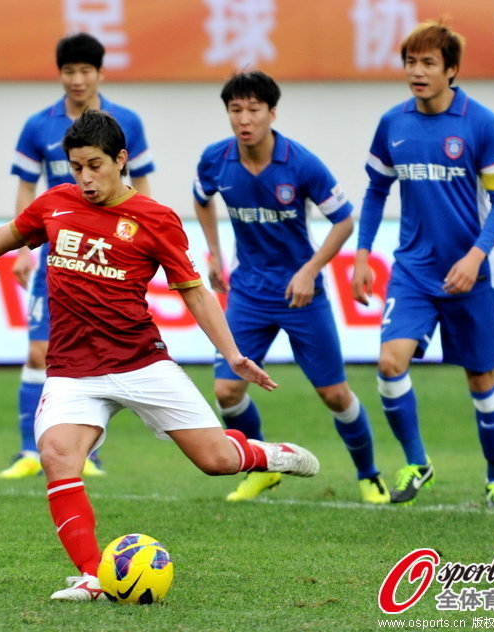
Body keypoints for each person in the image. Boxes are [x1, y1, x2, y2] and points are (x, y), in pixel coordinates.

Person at [0, 110, 320, 601]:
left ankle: (269, 454)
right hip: (73, 372)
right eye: (76, 167)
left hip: (141, 362)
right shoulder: (54, 204)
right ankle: (94, 574)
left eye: (95, 165)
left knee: (217, 460)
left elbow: (194, 291)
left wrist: (233, 354)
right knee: (57, 455)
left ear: (121, 160)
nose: (86, 178)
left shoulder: (156, 219)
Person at [193, 71, 386, 504]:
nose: (244, 119)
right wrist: (214, 252)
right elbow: (201, 197)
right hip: (248, 293)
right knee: (226, 390)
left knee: (335, 394)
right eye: (235, 110)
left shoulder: (300, 163)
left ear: (272, 112)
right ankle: (263, 468)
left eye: (253, 109)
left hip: (302, 296)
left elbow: (345, 220)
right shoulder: (215, 160)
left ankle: (369, 474)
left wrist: (310, 269)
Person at [350, 19, 494, 508]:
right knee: (388, 362)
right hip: (414, 271)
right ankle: (419, 463)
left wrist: (474, 255)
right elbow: (376, 190)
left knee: (481, 381)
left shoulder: (481, 123)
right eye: (410, 62)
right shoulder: (393, 123)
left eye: (427, 63)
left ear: (452, 70)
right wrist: (361, 254)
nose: (416, 72)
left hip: (473, 274)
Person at [1, 32, 155, 480]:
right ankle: (31, 450)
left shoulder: (126, 121)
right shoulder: (38, 126)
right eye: (70, 71)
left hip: (109, 252)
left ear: (101, 73)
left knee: (97, 353)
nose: (78, 79)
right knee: (38, 351)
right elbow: (26, 188)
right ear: (60, 74)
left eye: (86, 70)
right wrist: (22, 248)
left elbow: (142, 183)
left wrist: (144, 237)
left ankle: (88, 452)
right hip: (55, 251)